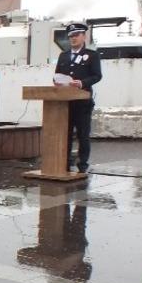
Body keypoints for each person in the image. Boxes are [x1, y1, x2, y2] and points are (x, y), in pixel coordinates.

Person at [54, 22, 102, 173]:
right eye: (71, 36)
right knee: (65, 134)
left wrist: (82, 83)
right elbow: (57, 75)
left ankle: (82, 166)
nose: (73, 38)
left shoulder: (92, 55)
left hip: (82, 102)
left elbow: (97, 76)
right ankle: (64, 164)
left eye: (76, 35)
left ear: (84, 36)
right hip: (66, 103)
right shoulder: (63, 55)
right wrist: (57, 82)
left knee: (83, 135)